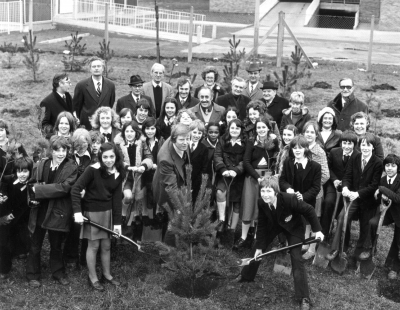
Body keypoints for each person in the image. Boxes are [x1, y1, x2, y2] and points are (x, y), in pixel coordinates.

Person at [238, 176, 324, 310]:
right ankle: (246, 275)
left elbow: (309, 210)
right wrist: (260, 246)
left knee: (296, 258)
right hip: (275, 224)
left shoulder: (289, 199)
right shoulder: (261, 202)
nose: (265, 195)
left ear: (276, 192)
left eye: (269, 192)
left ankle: (303, 297)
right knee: (257, 247)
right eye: (263, 191)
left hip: (294, 227)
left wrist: (317, 231)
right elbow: (261, 225)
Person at [72, 142, 129, 291]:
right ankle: (93, 277)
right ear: (100, 157)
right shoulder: (92, 170)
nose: (109, 160)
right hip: (92, 213)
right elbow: (75, 189)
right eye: (105, 157)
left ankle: (107, 275)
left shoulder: (118, 172)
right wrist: (77, 212)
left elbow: (117, 200)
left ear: (116, 156)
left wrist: (117, 224)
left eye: (111, 156)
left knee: (106, 245)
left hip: (108, 213)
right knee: (94, 245)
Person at [26, 136, 78, 287]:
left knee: (56, 244)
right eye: (57, 150)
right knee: (35, 243)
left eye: (64, 150)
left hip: (58, 210)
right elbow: (31, 184)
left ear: (68, 151)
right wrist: (32, 197)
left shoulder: (71, 167)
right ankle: (33, 274)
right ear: (51, 151)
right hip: (40, 209)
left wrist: (38, 190)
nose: (61, 153)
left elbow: (64, 188)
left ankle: (58, 272)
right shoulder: (42, 164)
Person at [326, 133, 383, 261]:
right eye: (363, 145)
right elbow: (347, 175)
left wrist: (358, 193)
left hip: (367, 200)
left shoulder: (377, 163)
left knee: (366, 225)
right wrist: (345, 187)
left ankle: (361, 250)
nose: (365, 148)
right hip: (353, 197)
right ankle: (336, 247)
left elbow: (374, 185)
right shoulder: (355, 157)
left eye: (368, 145)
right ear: (360, 146)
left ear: (373, 147)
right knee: (342, 218)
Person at [237, 115, 279, 249]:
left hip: (267, 179)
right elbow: (246, 162)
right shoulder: (251, 141)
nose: (261, 130)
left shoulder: (273, 142)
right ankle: (243, 237)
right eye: (258, 127)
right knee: (249, 206)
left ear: (268, 128)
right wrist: (257, 177)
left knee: (262, 208)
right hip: (253, 178)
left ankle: (257, 237)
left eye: (263, 127)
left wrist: (269, 177)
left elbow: (275, 160)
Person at [152, 123, 191, 242]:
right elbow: (172, 188)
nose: (185, 142)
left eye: (187, 139)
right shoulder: (165, 159)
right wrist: (180, 206)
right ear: (173, 139)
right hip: (166, 189)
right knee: (174, 219)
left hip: (178, 181)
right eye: (182, 140)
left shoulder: (182, 139)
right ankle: (165, 255)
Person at [361, 154, 400, 270]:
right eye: (387, 165)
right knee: (373, 223)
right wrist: (381, 197)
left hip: (399, 213)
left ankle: (393, 267)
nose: (389, 168)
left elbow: (397, 198)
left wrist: (382, 189)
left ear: (398, 167)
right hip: (388, 212)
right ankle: (369, 248)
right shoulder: (383, 180)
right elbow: (378, 198)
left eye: (393, 166)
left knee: (398, 241)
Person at [0, 157, 33, 280]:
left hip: (23, 217)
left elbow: (26, 206)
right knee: (4, 243)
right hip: (6, 215)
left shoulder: (32, 184)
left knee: (24, 238)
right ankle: (4, 269)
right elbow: (3, 191)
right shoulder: (8, 180)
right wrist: (2, 197)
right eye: (19, 172)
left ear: (30, 171)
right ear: (15, 172)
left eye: (25, 171)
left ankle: (21, 251)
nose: (22, 175)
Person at [63, 128, 92, 267]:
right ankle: (71, 256)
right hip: (71, 195)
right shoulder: (69, 157)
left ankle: (85, 258)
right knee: (73, 227)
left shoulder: (92, 157)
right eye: (79, 145)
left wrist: (86, 190)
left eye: (85, 143)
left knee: (86, 226)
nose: (82, 147)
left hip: (87, 196)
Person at [321, 131, 359, 236]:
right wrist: (334, 180)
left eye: (349, 143)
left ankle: (343, 233)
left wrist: (346, 184)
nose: (346, 146)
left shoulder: (358, 156)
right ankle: (325, 231)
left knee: (345, 209)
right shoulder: (334, 152)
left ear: (354, 145)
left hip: (349, 187)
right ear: (341, 143)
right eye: (344, 143)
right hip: (334, 184)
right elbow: (328, 168)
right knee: (328, 202)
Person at [302, 121, 330, 259]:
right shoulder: (300, 148)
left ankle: (312, 248)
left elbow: (325, 174)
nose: (309, 134)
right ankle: (305, 243)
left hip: (315, 193)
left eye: (312, 132)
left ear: (316, 134)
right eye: (307, 131)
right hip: (302, 191)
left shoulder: (319, 152)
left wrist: (313, 186)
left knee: (313, 219)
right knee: (305, 217)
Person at [214, 119, 246, 237]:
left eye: (237, 128)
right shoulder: (222, 140)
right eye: (232, 128)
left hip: (238, 177)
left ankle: (232, 230)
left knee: (236, 203)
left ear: (241, 130)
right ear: (229, 128)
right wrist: (223, 169)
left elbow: (245, 160)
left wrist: (236, 170)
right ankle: (222, 220)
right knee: (220, 192)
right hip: (224, 175)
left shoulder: (245, 142)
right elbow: (217, 156)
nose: (234, 130)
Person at [73, 57, 116, 130]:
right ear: (90, 69)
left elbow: (110, 103)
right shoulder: (81, 85)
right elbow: (76, 106)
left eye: (99, 66)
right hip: (86, 124)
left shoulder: (111, 85)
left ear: (103, 68)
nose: (96, 68)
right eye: (94, 66)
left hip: (104, 123)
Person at [141, 117, 166, 242]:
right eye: (147, 128)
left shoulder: (161, 141)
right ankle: (145, 228)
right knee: (145, 201)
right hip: (143, 176)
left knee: (155, 200)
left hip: (157, 176)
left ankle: (155, 228)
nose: (150, 131)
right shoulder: (141, 142)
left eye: (152, 128)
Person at [41, 73, 73, 138]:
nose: (70, 85)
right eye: (68, 82)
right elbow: (44, 125)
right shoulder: (47, 102)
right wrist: (56, 134)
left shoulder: (68, 96)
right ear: (60, 84)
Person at [188, 119, 209, 202]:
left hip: (196, 182)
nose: (197, 135)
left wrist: (197, 184)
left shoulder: (204, 149)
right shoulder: (184, 145)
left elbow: (204, 168)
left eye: (199, 133)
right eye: (194, 132)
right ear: (189, 132)